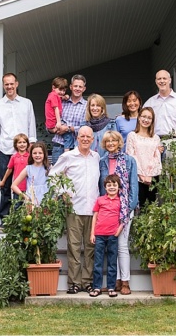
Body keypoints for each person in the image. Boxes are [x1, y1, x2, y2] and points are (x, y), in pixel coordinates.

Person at [51, 126, 101, 294]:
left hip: (93, 210)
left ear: (93, 139)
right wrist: (61, 192)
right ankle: (74, 282)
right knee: (73, 247)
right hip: (74, 207)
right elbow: (52, 176)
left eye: (88, 136)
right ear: (77, 138)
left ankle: (87, 281)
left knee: (90, 247)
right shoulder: (68, 156)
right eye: (82, 136)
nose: (85, 139)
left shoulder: (96, 157)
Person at [0, 73, 37, 220]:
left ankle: (23, 217)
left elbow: (31, 124)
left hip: (24, 151)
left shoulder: (27, 103)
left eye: (11, 83)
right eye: (6, 84)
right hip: (5, 149)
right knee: (6, 185)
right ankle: (6, 219)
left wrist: (32, 145)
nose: (9, 86)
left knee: (24, 185)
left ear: (16, 84)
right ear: (4, 86)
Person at [97, 130, 138, 295]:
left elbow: (133, 187)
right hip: (108, 209)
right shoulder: (101, 162)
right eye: (108, 141)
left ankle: (125, 281)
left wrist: (127, 210)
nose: (111, 144)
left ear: (119, 142)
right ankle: (115, 282)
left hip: (124, 209)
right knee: (111, 247)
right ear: (105, 144)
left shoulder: (129, 161)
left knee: (121, 246)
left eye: (114, 140)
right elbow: (101, 187)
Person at [89, 175, 123, 298]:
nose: (112, 187)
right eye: (109, 185)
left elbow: (124, 218)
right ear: (105, 187)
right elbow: (95, 216)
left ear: (119, 187)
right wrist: (92, 233)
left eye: (114, 185)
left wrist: (119, 230)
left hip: (113, 235)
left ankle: (111, 287)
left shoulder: (121, 201)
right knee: (98, 262)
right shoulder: (100, 200)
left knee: (112, 263)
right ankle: (97, 287)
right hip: (99, 235)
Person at [125, 107, 163, 206]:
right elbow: (131, 156)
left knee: (153, 206)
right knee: (139, 205)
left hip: (152, 177)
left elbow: (157, 157)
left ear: (152, 121)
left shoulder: (155, 138)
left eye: (149, 118)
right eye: (144, 117)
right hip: (137, 176)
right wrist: (141, 175)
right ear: (139, 117)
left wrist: (150, 176)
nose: (146, 120)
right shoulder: (132, 136)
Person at [143, 69, 176, 138]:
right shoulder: (150, 103)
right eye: (159, 79)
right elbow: (142, 123)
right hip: (155, 142)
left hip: (175, 142)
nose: (162, 81)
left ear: (170, 80)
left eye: (164, 78)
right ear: (156, 81)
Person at [51, 74, 87, 165]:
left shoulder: (87, 106)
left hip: (76, 148)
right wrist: (55, 128)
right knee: (57, 177)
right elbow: (51, 119)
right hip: (59, 146)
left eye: (80, 86)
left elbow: (85, 127)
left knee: (75, 177)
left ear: (84, 89)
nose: (77, 89)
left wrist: (68, 128)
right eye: (75, 86)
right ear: (71, 87)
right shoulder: (60, 102)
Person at [0, 133, 30, 215]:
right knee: (17, 206)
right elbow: (9, 170)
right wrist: (3, 181)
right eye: (19, 142)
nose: (22, 144)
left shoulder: (30, 156)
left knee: (29, 207)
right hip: (18, 187)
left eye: (24, 142)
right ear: (15, 145)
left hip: (29, 186)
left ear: (27, 144)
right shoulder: (14, 157)